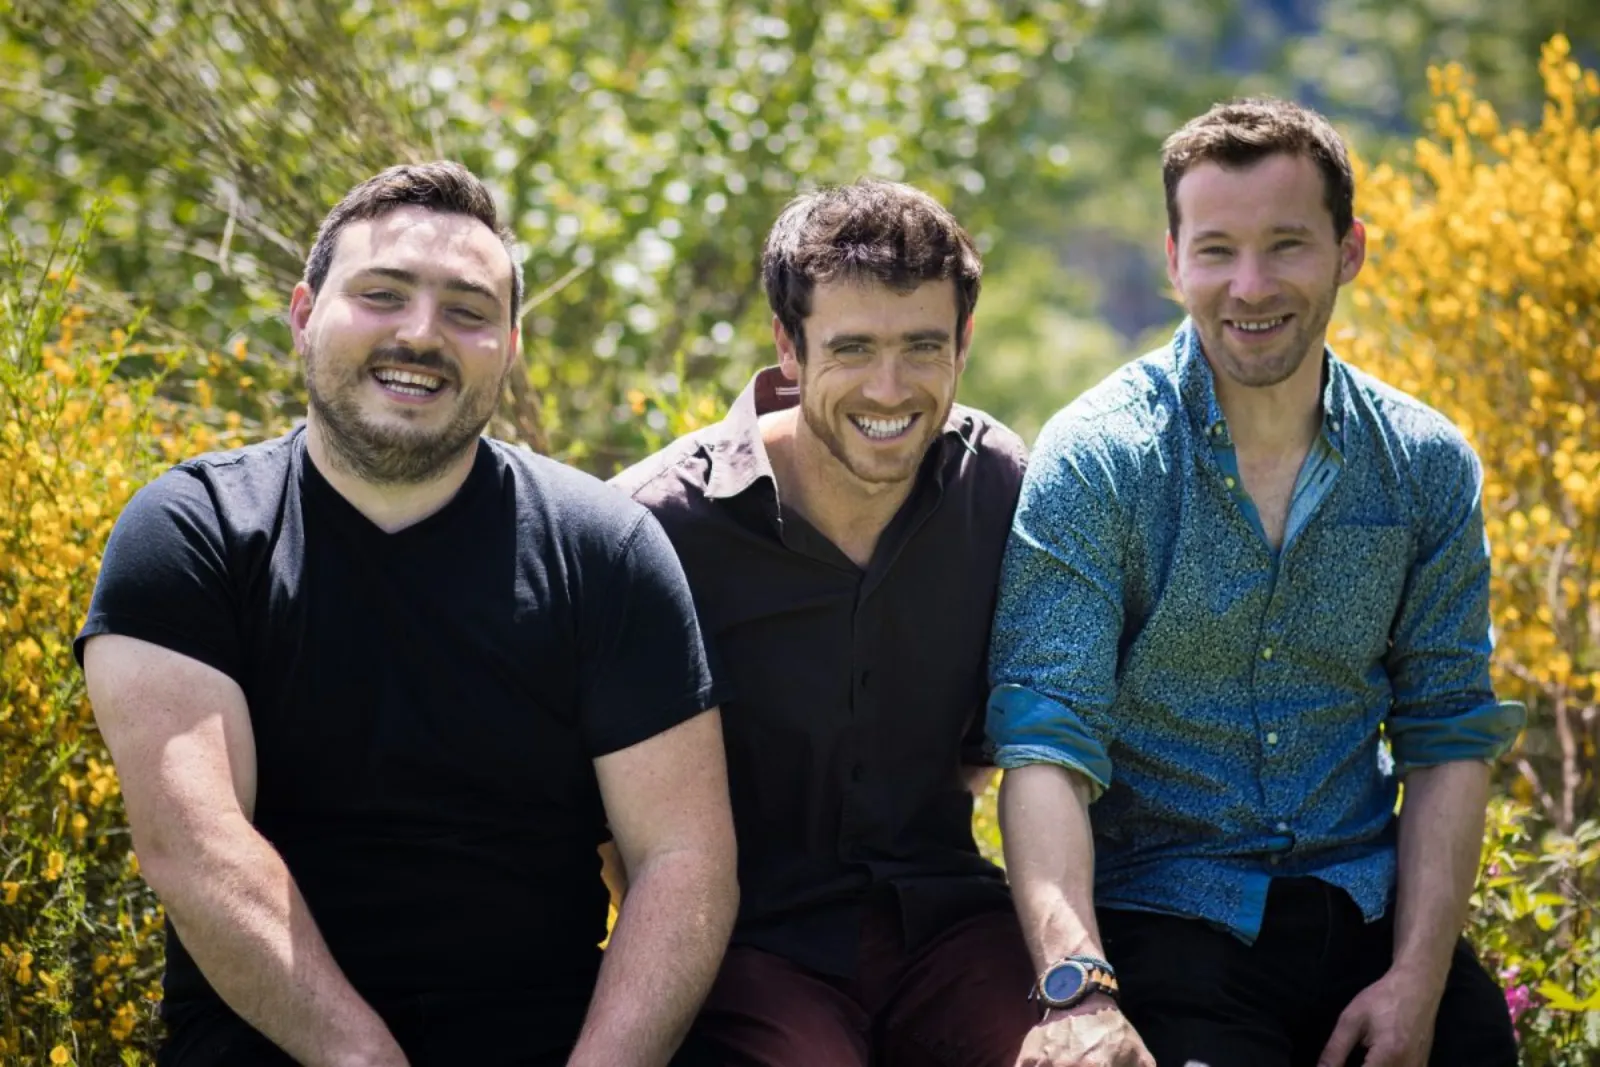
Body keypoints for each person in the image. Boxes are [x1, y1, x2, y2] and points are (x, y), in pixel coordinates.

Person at [76, 161, 737, 1067]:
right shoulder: (192, 534)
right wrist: (362, 1058)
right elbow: (197, 849)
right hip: (274, 1041)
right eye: (382, 295)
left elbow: (682, 863)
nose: (421, 334)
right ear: (304, 315)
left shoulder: (607, 552)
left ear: (509, 346)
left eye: (467, 310)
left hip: (555, 1039)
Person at [986, 99, 1525, 1067]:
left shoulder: (1425, 464)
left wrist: (1417, 979)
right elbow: (1044, 748)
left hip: (1368, 911)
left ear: (1348, 250)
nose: (1250, 285)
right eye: (1216, 249)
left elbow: (1446, 733)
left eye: (1286, 245)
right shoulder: (1098, 459)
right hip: (1167, 915)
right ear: (1172, 258)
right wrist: (1079, 988)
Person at [611, 178, 1038, 1066]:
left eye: (923, 345)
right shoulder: (654, 526)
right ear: (789, 347)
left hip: (951, 925)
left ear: (963, 342)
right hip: (749, 945)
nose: (891, 388)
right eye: (852, 348)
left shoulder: (998, 486)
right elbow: (607, 823)